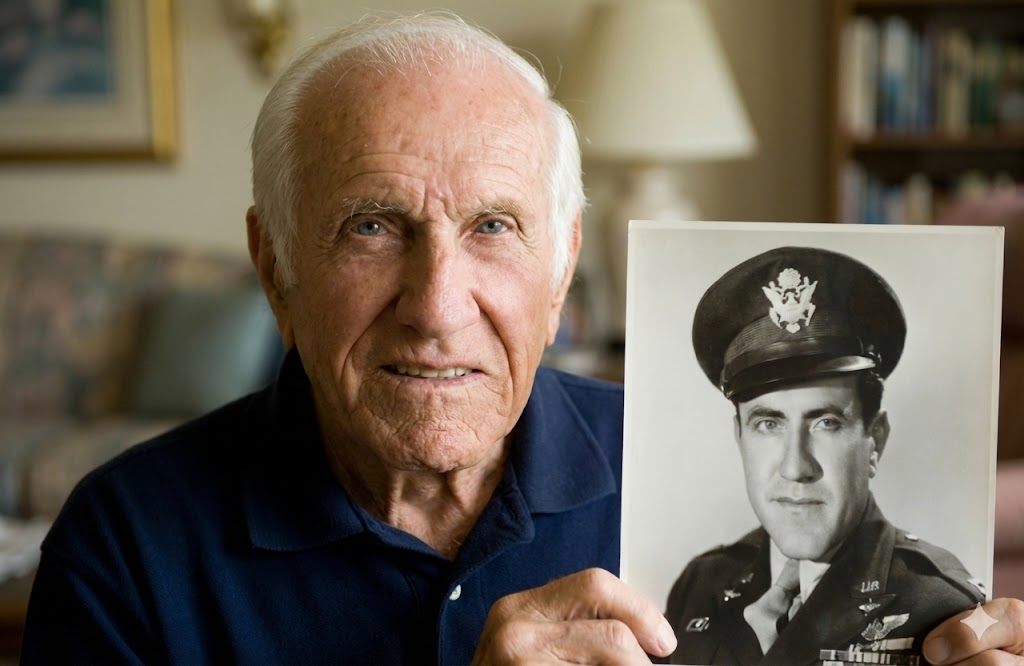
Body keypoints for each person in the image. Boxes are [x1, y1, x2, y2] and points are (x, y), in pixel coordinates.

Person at [18, 12, 1024, 665]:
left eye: (491, 228)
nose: (437, 304)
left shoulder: (688, 498)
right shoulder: (126, 546)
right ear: (274, 262)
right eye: (372, 226)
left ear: (561, 270)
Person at [666, 246, 989, 665]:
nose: (796, 467)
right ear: (739, 437)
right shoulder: (701, 585)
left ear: (875, 440)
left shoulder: (940, 602)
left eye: (826, 423)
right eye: (769, 423)